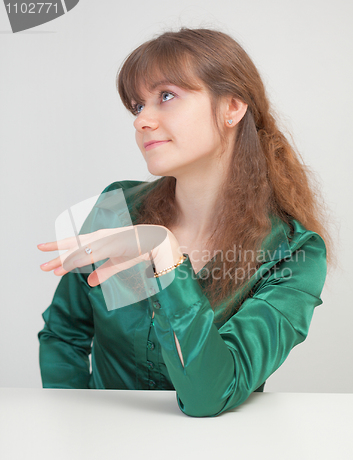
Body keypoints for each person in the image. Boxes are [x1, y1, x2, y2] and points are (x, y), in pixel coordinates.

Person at [37, 27, 333, 418]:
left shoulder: (293, 252)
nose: (142, 121)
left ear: (232, 107)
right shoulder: (117, 208)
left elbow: (210, 394)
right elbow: (63, 333)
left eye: (166, 96)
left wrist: (165, 256)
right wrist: (72, 423)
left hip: (217, 459)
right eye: (137, 105)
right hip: (100, 452)